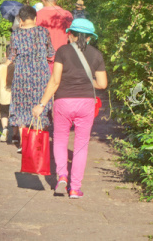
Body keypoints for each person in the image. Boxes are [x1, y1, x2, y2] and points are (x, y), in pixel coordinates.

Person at [32, 18, 107, 199]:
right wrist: (88, 83)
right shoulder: (97, 55)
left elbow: (55, 81)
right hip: (86, 103)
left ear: (70, 34)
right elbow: (103, 84)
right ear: (89, 38)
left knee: (59, 140)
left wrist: (41, 104)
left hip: (63, 102)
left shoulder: (62, 51)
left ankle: (62, 178)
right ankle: (75, 188)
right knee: (81, 145)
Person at [8, 5, 55, 152]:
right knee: (41, 106)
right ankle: (39, 144)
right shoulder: (43, 31)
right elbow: (50, 52)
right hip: (41, 75)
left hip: (21, 75)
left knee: (21, 109)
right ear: (35, 18)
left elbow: (11, 56)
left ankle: (24, 144)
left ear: (20, 20)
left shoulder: (15, 34)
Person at [36, 0, 73, 66]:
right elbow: (71, 39)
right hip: (63, 62)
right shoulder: (67, 15)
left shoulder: (36, 16)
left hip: (42, 63)